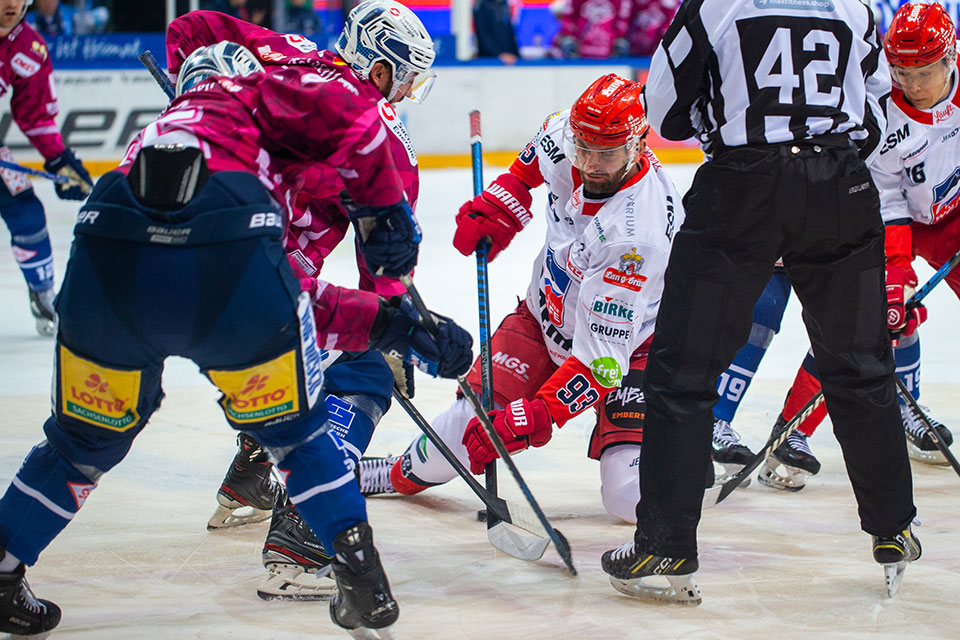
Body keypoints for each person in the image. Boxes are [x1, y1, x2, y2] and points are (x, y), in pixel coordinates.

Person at [0, 37, 472, 638]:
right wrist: (392, 313)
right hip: (231, 260)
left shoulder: (150, 141)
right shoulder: (260, 95)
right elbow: (277, 286)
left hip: (104, 247)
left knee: (78, 444)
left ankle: (2, 568)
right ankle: (358, 577)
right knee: (297, 433)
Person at [601, 0, 920, 605]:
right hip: (841, 186)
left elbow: (663, 114)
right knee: (860, 366)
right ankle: (894, 527)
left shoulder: (714, 5)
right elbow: (879, 113)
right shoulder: (852, 8)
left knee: (683, 371)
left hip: (742, 189)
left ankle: (666, 543)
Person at [164, 1, 443, 600]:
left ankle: (249, 481)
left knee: (290, 373)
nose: (407, 92)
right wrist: (390, 329)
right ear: (380, 69)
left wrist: (184, 107)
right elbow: (384, 262)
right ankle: (302, 540)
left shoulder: (289, 52)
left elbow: (189, 29)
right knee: (366, 373)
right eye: (407, 76)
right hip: (268, 280)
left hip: (184, 258)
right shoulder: (383, 138)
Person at [357, 73, 691, 527]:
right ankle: (395, 473)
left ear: (637, 146)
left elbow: (602, 360)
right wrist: (502, 206)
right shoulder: (563, 132)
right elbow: (525, 172)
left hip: (634, 350)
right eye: (583, 148)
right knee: (461, 431)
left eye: (606, 154)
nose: (591, 163)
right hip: (542, 319)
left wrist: (537, 415)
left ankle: (689, 454)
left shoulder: (637, 236)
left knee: (626, 497)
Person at [0, 0, 93, 337]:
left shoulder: (28, 46)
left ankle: (42, 294)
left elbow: (35, 114)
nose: (10, 4)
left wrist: (60, 160)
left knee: (26, 210)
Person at [551, 0, 631, 59]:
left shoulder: (620, 2)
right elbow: (568, 20)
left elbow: (623, 21)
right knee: (567, 43)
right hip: (582, 49)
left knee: (622, 45)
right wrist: (571, 37)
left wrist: (618, 37)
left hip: (609, 50)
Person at [473, 0, 520, 65]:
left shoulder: (504, 4)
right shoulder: (481, 6)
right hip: (489, 61)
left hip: (509, 60)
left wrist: (517, 56)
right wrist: (500, 54)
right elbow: (482, 36)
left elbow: (509, 33)